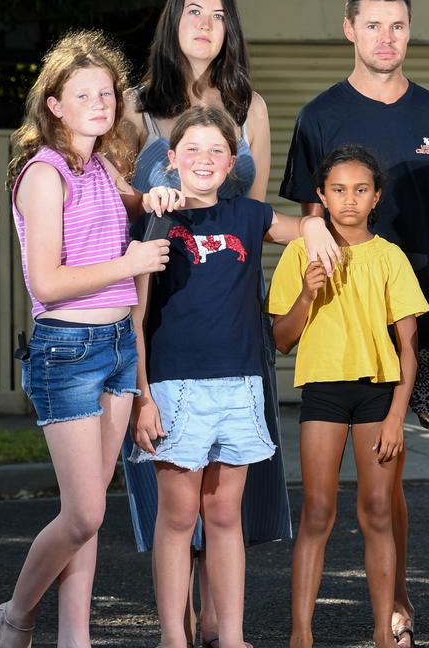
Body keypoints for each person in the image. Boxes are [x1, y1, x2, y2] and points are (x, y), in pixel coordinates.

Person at [278, 0, 429, 646]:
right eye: (374, 25)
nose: (387, 38)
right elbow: (308, 222)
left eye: (399, 26)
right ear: (349, 29)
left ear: (410, 32)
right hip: (356, 331)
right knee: (384, 482)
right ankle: (399, 605)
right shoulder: (320, 116)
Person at [120, 0, 291, 648]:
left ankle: (224, 626)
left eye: (218, 16)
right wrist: (153, 202)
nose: (205, 24)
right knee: (175, 499)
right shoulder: (138, 106)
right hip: (161, 311)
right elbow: (118, 201)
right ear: (173, 21)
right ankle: (175, 626)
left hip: (230, 318)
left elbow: (253, 210)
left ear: (229, 31)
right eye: (193, 11)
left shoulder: (250, 105)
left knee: (227, 501)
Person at [128, 106, 338, 648]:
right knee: (178, 518)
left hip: (240, 385)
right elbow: (136, 316)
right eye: (192, 150)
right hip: (176, 389)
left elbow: (299, 226)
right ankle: (174, 637)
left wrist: (314, 223)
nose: (204, 159)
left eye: (216, 151)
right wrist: (142, 396)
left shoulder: (249, 214)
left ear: (231, 164)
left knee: (225, 516)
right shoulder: (158, 219)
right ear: (171, 160)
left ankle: (233, 636)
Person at [0, 30, 173, 648]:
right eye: (84, 94)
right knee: (85, 514)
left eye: (108, 93)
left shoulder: (99, 165)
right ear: (55, 104)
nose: (101, 103)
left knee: (90, 515)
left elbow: (134, 198)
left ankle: (77, 637)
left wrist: (152, 193)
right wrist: (131, 263)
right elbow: (46, 282)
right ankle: (16, 615)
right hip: (67, 352)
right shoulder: (43, 175)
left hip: (118, 348)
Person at [268, 145, 428, 648]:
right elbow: (281, 338)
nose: (350, 200)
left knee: (378, 511)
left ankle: (384, 632)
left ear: (376, 196)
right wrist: (308, 292)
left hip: (378, 395)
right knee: (318, 511)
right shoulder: (301, 252)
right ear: (321, 195)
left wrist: (398, 415)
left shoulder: (389, 257)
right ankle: (301, 634)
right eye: (338, 190)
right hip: (323, 393)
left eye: (361, 190)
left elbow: (408, 349)